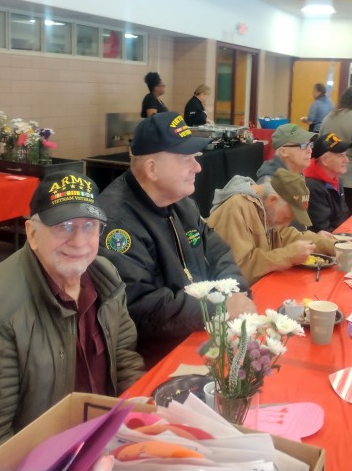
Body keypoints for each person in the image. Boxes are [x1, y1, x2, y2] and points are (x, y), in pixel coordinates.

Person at [0, 171, 145, 470]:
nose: (79, 241)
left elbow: (125, 357)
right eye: (63, 226)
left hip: (104, 442)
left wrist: (139, 424)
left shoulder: (106, 278)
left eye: (89, 226)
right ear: (32, 233)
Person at [97, 112, 255, 366]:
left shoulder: (181, 204)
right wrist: (221, 308)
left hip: (201, 332)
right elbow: (142, 309)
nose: (198, 167)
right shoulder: (117, 225)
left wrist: (235, 293)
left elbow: (219, 253)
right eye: (186, 159)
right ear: (152, 169)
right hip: (158, 356)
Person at [207, 168, 336, 284]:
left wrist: (333, 247)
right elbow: (237, 271)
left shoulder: (265, 206)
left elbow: (288, 236)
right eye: (286, 218)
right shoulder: (236, 207)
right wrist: (288, 256)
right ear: (272, 200)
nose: (286, 224)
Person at [320, 85, 352, 213]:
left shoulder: (329, 117)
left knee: (331, 214)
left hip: (327, 175)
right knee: (348, 216)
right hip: (351, 179)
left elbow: (319, 143)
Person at [304, 132, 352, 232]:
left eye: (346, 155)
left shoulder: (335, 180)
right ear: (325, 160)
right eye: (341, 155)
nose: (346, 160)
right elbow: (322, 229)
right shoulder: (312, 187)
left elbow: (343, 214)